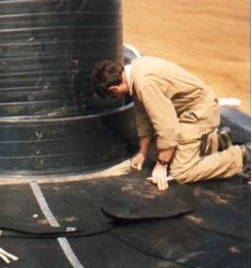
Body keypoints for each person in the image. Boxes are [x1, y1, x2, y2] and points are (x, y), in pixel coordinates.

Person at [92, 56, 250, 190]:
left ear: (113, 89)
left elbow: (168, 129)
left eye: (114, 95)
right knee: (157, 152)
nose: (118, 97)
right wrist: (142, 153)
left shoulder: (145, 83)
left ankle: (243, 156)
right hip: (190, 110)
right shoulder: (136, 69)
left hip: (200, 113)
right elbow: (143, 114)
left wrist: (162, 165)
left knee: (181, 171)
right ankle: (218, 141)